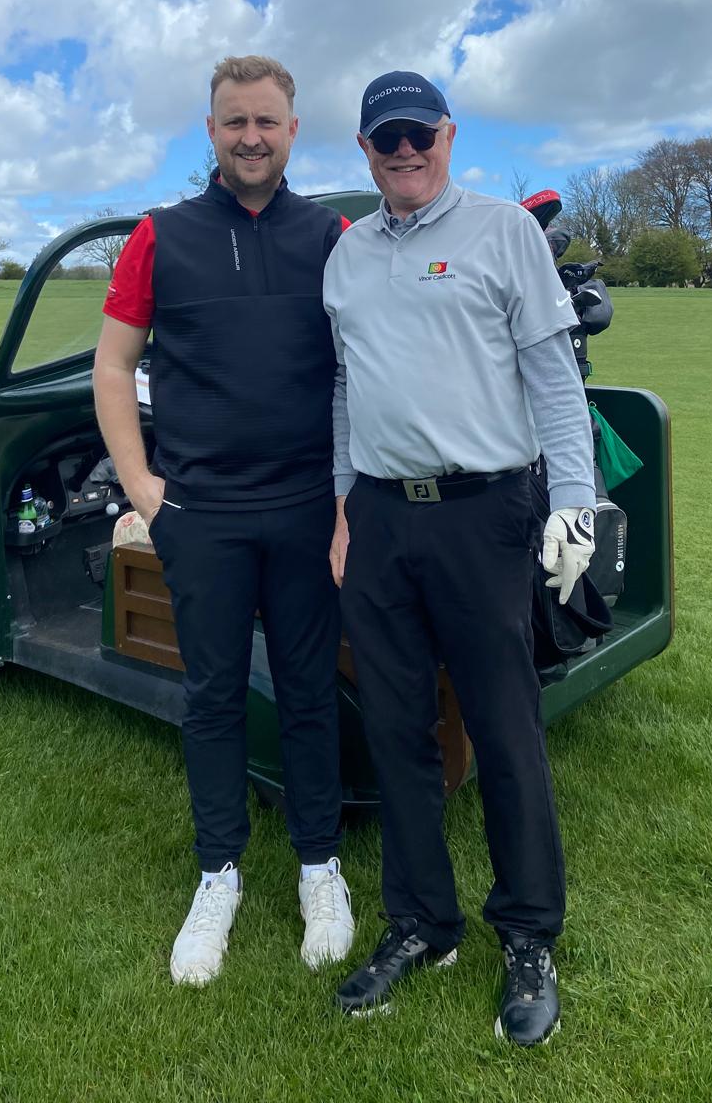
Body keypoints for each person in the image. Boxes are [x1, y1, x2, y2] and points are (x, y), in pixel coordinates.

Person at [323, 70, 597, 1046]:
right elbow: (348, 390)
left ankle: (527, 934)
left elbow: (554, 382)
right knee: (398, 731)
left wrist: (575, 507)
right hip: (381, 519)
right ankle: (420, 922)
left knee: (504, 729)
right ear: (365, 150)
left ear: (446, 136)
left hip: (485, 514)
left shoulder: (502, 231)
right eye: (385, 139)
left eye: (418, 135)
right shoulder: (348, 255)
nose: (404, 152)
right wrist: (343, 506)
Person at [94, 54, 355, 985]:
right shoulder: (160, 236)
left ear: (293, 131)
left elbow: (361, 370)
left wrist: (345, 505)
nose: (251, 137)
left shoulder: (331, 237)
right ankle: (219, 875)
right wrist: (143, 487)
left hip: (305, 507)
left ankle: (320, 868)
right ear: (210, 131)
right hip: (199, 513)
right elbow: (114, 365)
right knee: (211, 696)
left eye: (266, 122)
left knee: (309, 691)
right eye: (234, 121)